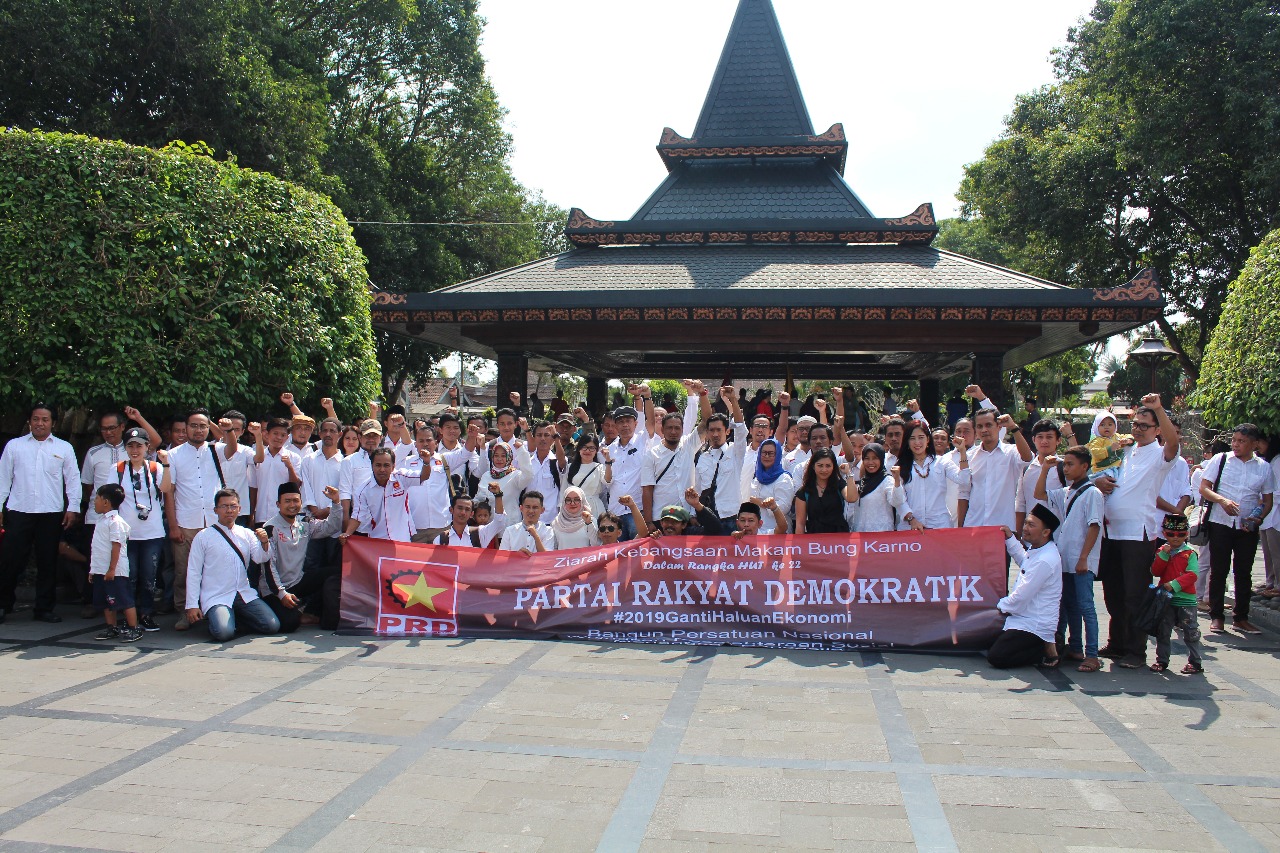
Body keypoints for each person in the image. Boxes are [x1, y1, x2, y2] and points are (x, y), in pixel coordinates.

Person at [1095, 393, 1180, 669]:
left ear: (1157, 429)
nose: (1138, 429)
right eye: (1135, 423)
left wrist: (1158, 408)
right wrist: (1101, 484)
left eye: (1145, 425)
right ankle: (1117, 643)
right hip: (1112, 533)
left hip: (1138, 534)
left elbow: (1173, 442)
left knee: (1134, 594)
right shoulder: (1125, 451)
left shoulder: (1161, 454)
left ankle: (1136, 650)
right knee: (1113, 593)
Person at [0, 404, 80, 624]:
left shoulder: (64, 448)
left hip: (50, 512)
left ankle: (44, 608)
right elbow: (3, 479)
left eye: (45, 419)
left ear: (52, 422)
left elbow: (72, 479)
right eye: (36, 419)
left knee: (48, 562)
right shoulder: (14, 446)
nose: (40, 424)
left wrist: (73, 507)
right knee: (11, 560)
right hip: (19, 510)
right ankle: (3, 604)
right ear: (29, 421)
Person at [1198, 423, 1275, 635]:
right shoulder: (1221, 460)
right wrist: (1222, 501)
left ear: (1254, 444)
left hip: (1246, 527)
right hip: (1220, 522)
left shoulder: (1263, 467)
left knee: (1243, 571)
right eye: (1234, 440)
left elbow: (1267, 501)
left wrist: (1257, 518)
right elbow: (1204, 488)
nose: (1236, 444)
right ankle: (1217, 616)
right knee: (1219, 569)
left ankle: (1241, 617)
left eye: (1241, 441)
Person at [1035, 448, 1103, 673]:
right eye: (1065, 465)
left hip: (1080, 559)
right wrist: (1045, 468)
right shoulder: (1066, 491)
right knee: (1067, 604)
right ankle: (1074, 647)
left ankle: (1092, 654)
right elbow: (1039, 494)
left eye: (1071, 464)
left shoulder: (1092, 493)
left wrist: (1084, 557)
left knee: (1085, 605)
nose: (1066, 468)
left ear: (1085, 466)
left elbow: (1095, 526)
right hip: (1064, 559)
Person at [184, 488, 278, 642]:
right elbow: (194, 572)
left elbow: (261, 557)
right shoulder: (203, 536)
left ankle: (234, 617)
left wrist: (265, 542)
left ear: (239, 509)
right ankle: (220, 619)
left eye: (233, 506)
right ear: (216, 510)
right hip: (216, 595)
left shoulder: (246, 533)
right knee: (224, 633)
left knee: (272, 625)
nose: (229, 510)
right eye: (224, 506)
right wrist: (192, 605)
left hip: (243, 592)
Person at [254, 483, 344, 632]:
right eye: (287, 501)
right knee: (290, 623)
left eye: (295, 500)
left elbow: (331, 527)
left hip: (297, 581)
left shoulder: (305, 523)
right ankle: (293, 612)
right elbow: (268, 567)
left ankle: (314, 612)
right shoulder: (270, 528)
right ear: (278, 504)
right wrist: (282, 594)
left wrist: (336, 503)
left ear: (301, 503)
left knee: (335, 572)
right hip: (273, 590)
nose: (292, 505)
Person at [988, 505, 1063, 669]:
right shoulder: (1038, 550)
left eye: (1031, 525)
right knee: (986, 640)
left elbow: (1020, 598)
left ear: (1046, 532)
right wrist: (1009, 538)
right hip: (1021, 617)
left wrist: (999, 606)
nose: (1025, 528)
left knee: (997, 657)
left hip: (1033, 624)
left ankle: (1047, 650)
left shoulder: (1045, 559)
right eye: (1026, 523)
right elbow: (1024, 560)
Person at [116, 427, 166, 631]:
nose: (135, 450)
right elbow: (111, 498)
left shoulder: (155, 468)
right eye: (130, 446)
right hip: (127, 532)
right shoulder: (117, 469)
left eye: (139, 445)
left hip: (152, 532)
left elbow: (167, 489)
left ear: (147, 447)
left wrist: (167, 464)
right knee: (130, 575)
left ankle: (146, 613)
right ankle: (129, 615)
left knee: (148, 576)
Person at [957, 396, 1032, 531]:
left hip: (1002, 528)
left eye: (988, 425)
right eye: (979, 426)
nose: (984, 430)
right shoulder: (969, 457)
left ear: (998, 426)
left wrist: (1013, 428)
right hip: (974, 525)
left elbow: (1028, 458)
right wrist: (960, 528)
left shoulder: (1011, 453)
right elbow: (964, 493)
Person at [1149, 514, 1204, 674]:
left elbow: (1193, 574)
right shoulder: (1162, 550)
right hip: (1167, 600)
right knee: (1163, 631)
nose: (1175, 538)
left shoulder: (1190, 553)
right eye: (1170, 534)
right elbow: (1155, 571)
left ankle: (1195, 661)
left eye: (1180, 535)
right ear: (1164, 534)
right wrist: (1164, 555)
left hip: (1186, 600)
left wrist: (1174, 585)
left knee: (1191, 632)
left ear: (1186, 534)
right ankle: (1162, 660)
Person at [88, 484, 141, 642]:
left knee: (124, 599)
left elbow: (116, 545)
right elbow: (97, 548)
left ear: (106, 502)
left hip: (115, 571)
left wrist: (112, 569)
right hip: (100, 569)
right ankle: (111, 627)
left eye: (97, 498)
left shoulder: (115, 521)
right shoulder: (101, 521)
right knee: (106, 600)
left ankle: (134, 628)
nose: (94, 502)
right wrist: (93, 569)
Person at [895, 421, 969, 531]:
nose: (917, 442)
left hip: (939, 526)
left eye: (921, 437)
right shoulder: (900, 466)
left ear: (928, 439)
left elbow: (964, 480)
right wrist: (911, 519)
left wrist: (962, 451)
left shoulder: (942, 462)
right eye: (912, 438)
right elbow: (898, 499)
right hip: (910, 528)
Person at [694, 388, 748, 532]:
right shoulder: (702, 458)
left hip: (730, 518)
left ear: (727, 431)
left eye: (719, 430)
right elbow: (698, 489)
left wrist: (733, 400)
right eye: (712, 430)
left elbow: (741, 429)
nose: (715, 434)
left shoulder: (736, 452)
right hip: (708, 517)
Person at [300, 417, 344, 592]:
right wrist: (314, 509)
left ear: (339, 434)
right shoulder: (309, 460)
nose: (328, 434)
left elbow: (345, 490)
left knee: (332, 566)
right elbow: (305, 487)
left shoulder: (346, 462)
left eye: (332, 431)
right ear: (319, 434)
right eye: (325, 430)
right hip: (312, 520)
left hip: (336, 522)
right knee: (311, 563)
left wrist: (329, 510)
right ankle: (309, 607)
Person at [604, 387, 653, 539]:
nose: (625, 425)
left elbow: (651, 421)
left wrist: (647, 397)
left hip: (636, 510)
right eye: (621, 422)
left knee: (637, 555)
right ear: (615, 426)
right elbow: (607, 482)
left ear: (635, 423)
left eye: (628, 421)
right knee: (617, 556)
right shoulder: (609, 450)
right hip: (615, 511)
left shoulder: (643, 440)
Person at [343, 448, 418, 542]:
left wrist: (426, 463)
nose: (382, 469)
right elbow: (357, 517)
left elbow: (424, 476)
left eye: (386, 465)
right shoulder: (362, 490)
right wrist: (347, 534)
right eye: (378, 465)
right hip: (378, 541)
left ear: (393, 466)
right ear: (371, 466)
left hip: (403, 539)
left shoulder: (401, 478)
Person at [396, 425, 451, 543]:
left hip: (441, 524)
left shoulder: (445, 460)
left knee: (441, 560)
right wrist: (402, 426)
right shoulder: (405, 462)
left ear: (436, 443)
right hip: (415, 526)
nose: (425, 444)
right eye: (421, 441)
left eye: (428, 440)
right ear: (415, 444)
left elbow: (466, 452)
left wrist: (472, 437)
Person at [1015, 420, 1067, 532]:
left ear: (1058, 440)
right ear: (1033, 440)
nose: (1044, 441)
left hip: (1058, 534)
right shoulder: (1026, 469)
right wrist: (1018, 537)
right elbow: (1020, 505)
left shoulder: (1064, 468)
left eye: (1049, 437)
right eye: (1040, 437)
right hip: (1030, 538)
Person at [250, 418, 303, 526]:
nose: (279, 438)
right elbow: (253, 487)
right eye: (275, 433)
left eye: (283, 435)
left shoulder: (294, 457)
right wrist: (251, 514)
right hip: (261, 514)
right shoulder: (257, 457)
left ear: (287, 437)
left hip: (284, 516)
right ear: (266, 434)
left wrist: (289, 467)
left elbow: (296, 485)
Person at [794, 449, 851, 534]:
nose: (824, 470)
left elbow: (851, 498)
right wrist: (800, 545)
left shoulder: (839, 485)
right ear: (813, 466)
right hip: (815, 541)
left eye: (828, 466)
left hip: (839, 540)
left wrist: (849, 474)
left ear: (833, 467)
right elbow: (800, 524)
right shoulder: (804, 492)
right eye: (820, 466)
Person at [215, 411, 257, 527]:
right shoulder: (210, 449)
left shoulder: (246, 451)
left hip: (238, 511)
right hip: (214, 510)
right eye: (229, 428)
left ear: (243, 432)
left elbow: (258, 459)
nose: (232, 432)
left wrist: (258, 435)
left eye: (236, 429)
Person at [339, 419, 384, 524]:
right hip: (359, 522)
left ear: (381, 438)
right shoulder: (349, 461)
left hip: (382, 522)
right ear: (360, 437)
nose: (371, 439)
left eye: (375, 436)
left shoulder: (388, 460)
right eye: (367, 436)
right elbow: (345, 492)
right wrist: (346, 519)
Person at [477, 442, 532, 529]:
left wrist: (521, 451)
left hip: (510, 526)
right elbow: (479, 498)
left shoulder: (516, 475)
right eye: (496, 455)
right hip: (489, 527)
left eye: (503, 456)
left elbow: (528, 475)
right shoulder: (486, 475)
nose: (499, 459)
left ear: (509, 457)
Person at [846, 444, 898, 533]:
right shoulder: (863, 481)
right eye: (866, 458)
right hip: (862, 537)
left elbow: (896, 501)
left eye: (875, 458)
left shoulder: (887, 480)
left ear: (881, 459)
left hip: (882, 539)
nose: (870, 462)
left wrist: (897, 482)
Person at [746, 439, 794, 534]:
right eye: (764, 453)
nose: (766, 456)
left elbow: (784, 508)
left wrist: (760, 503)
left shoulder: (784, 478)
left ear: (777, 455)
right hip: (757, 532)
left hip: (776, 532)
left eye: (771, 453)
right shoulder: (757, 478)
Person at [434, 488, 506, 547]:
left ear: (471, 514)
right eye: (460, 508)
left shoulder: (480, 533)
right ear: (451, 510)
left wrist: (498, 495)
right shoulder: (440, 539)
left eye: (467, 509)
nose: (463, 512)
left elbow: (499, 522)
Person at [566, 434, 610, 518]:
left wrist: (608, 462)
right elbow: (564, 490)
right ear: (579, 449)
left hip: (595, 507)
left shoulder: (599, 467)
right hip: (574, 506)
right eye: (584, 447)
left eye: (591, 448)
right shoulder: (570, 467)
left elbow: (607, 481)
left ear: (596, 450)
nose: (587, 451)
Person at [652, 489, 723, 537]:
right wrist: (655, 543)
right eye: (666, 521)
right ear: (661, 523)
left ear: (684, 525)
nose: (670, 525)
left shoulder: (692, 534)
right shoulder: (658, 538)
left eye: (675, 522)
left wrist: (697, 505)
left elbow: (715, 529)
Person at [1086, 412, 1131, 484]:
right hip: (1102, 470)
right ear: (1097, 427)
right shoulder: (1097, 440)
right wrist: (1110, 449)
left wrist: (1128, 440)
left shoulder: (1117, 437)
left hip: (1116, 468)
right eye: (1102, 425)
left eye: (1110, 424)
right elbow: (1095, 453)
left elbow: (1129, 436)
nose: (1106, 427)